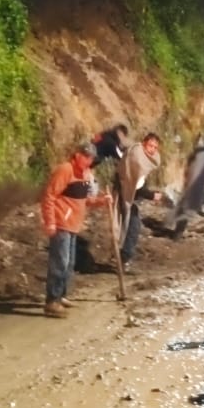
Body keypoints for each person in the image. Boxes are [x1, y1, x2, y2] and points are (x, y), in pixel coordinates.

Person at [41, 142, 113, 317]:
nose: (88, 161)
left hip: (74, 224)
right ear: (77, 155)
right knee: (60, 262)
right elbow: (49, 196)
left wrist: (102, 201)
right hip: (61, 223)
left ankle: (62, 294)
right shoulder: (65, 170)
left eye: (90, 158)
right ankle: (52, 301)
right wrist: (50, 222)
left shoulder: (86, 175)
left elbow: (86, 200)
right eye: (85, 156)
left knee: (70, 262)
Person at [116, 133, 160, 273]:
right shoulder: (137, 157)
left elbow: (139, 184)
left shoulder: (143, 159)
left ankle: (123, 259)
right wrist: (152, 195)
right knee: (133, 226)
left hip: (130, 196)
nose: (152, 149)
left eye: (155, 147)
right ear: (143, 143)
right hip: (123, 195)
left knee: (129, 227)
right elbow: (134, 185)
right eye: (150, 145)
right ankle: (123, 260)